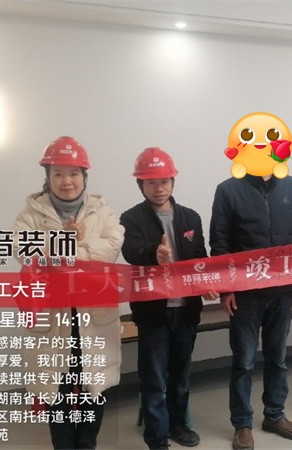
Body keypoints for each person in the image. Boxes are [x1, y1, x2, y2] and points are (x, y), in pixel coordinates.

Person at [13, 136, 124, 449]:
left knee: (93, 390)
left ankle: (87, 445)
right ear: (47, 178)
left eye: (74, 173)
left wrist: (70, 250)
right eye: (58, 174)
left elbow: (110, 250)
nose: (66, 181)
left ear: (84, 176)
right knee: (57, 391)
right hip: (52, 318)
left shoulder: (103, 212)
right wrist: (64, 240)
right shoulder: (30, 214)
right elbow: (24, 252)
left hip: (94, 317)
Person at [120, 147, 217, 449]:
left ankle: (178, 424)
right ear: (141, 184)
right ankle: (157, 437)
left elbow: (200, 258)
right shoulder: (131, 218)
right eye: (151, 182)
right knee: (154, 381)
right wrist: (155, 254)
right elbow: (131, 252)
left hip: (186, 311)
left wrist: (206, 284)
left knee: (180, 376)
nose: (159, 188)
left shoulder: (190, 217)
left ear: (173, 181)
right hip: (153, 314)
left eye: (164, 181)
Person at [209, 171, 292, 450]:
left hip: (282, 291)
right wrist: (226, 288)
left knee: (278, 357)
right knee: (243, 362)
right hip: (245, 294)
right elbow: (220, 242)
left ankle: (274, 415)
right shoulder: (228, 189)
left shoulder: (291, 186)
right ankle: (242, 423)